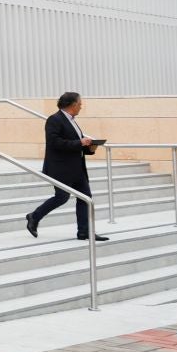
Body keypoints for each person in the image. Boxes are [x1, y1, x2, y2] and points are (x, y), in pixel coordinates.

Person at [27, 91, 108, 241]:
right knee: (62, 197)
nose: (81, 107)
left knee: (85, 198)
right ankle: (34, 216)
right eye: (80, 104)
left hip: (77, 168)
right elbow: (54, 143)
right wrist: (80, 143)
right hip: (61, 168)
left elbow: (74, 144)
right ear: (72, 105)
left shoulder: (72, 121)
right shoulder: (54, 119)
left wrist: (89, 148)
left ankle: (84, 231)